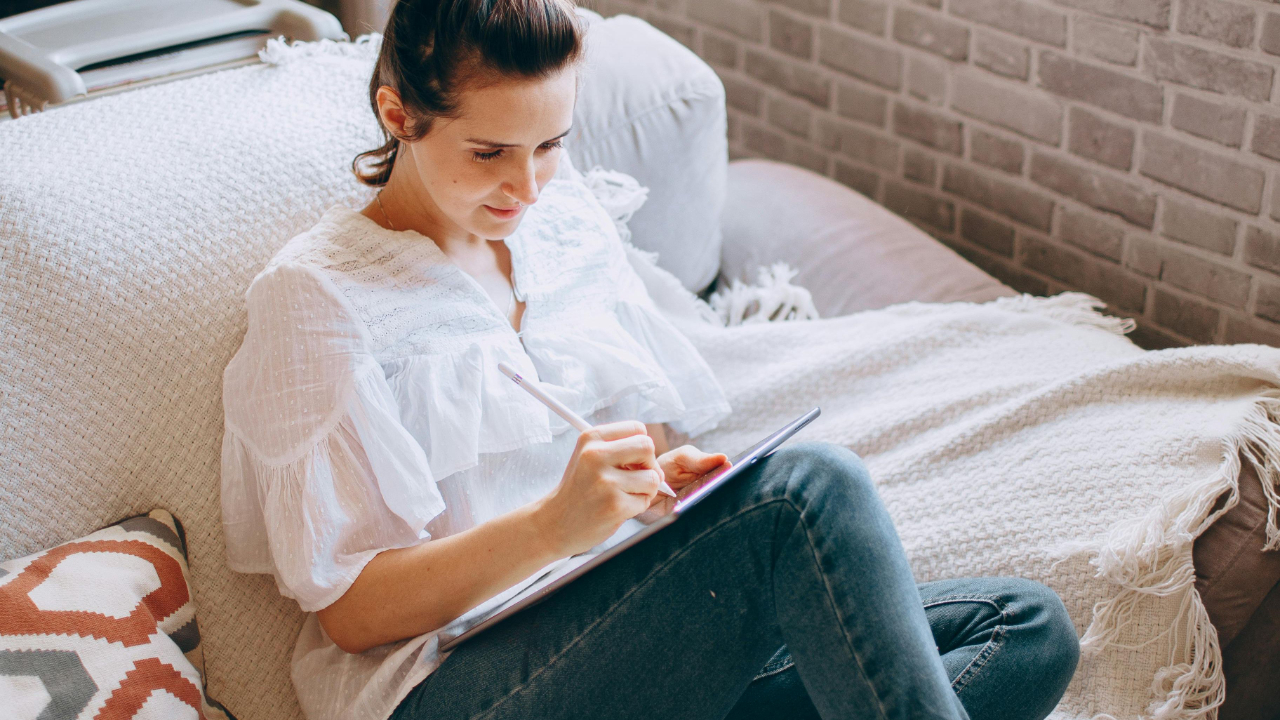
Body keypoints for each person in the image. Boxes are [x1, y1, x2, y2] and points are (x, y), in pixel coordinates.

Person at [219, 1, 1080, 719]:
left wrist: (657, 484)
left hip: (625, 637)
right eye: (490, 153)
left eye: (551, 144)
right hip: (449, 687)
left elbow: (643, 453)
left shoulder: (564, 226)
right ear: (398, 116)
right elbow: (353, 615)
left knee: (1025, 628)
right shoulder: (319, 297)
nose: (527, 188)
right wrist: (552, 526)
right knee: (808, 494)